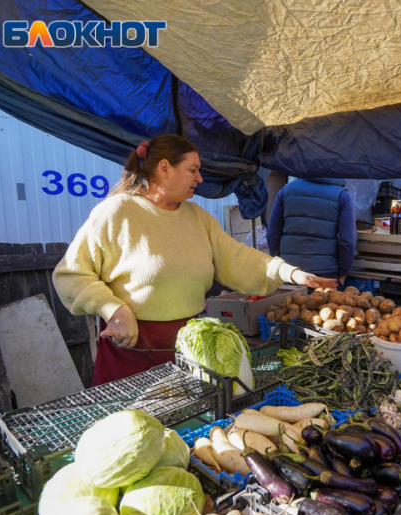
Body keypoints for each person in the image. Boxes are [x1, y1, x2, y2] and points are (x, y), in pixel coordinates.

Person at [53, 135, 335, 386]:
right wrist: (114, 310)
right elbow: (72, 275)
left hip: (190, 348)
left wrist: (290, 272)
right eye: (193, 170)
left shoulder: (197, 217)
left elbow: (236, 258)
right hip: (131, 351)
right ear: (164, 169)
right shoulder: (116, 212)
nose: (200, 179)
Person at [266, 178, 356, 288]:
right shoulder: (342, 195)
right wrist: (343, 273)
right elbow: (347, 240)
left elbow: (272, 233)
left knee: (288, 304)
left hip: (290, 272)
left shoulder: (286, 190)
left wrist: (281, 265)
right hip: (325, 273)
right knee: (327, 305)